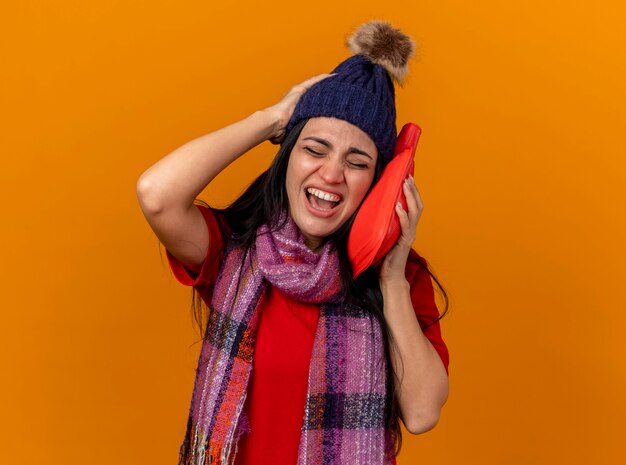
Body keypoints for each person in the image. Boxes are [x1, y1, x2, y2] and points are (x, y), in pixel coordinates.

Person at [137, 19, 449, 465]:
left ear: (378, 184)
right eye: (314, 149)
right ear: (287, 156)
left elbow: (421, 413)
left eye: (356, 162)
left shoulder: (399, 278)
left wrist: (393, 279)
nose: (330, 174)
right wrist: (274, 117)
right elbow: (156, 194)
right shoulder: (234, 252)